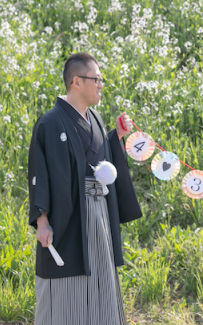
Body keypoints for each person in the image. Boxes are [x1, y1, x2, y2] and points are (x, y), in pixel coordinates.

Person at [28, 52, 142, 325]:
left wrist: (116, 136)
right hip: (68, 215)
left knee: (101, 277)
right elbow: (39, 172)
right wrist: (42, 221)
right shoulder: (50, 123)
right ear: (76, 82)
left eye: (101, 80)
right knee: (65, 286)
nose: (101, 85)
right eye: (96, 79)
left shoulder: (95, 119)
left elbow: (98, 158)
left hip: (98, 213)